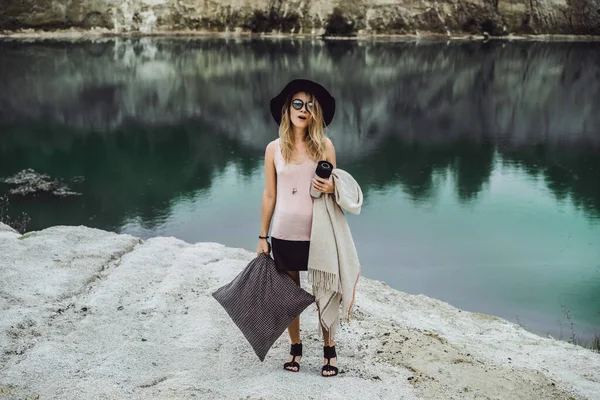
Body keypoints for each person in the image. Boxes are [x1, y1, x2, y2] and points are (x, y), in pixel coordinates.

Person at [256, 79, 339, 377]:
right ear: (287, 109)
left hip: (319, 233)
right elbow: (269, 195)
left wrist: (330, 185)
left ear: (316, 112)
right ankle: (296, 347)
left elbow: (335, 190)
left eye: (310, 104)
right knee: (290, 294)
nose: (303, 110)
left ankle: (329, 350)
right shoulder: (273, 149)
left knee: (325, 292)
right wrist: (263, 237)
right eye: (298, 103)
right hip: (284, 233)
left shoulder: (325, 146)